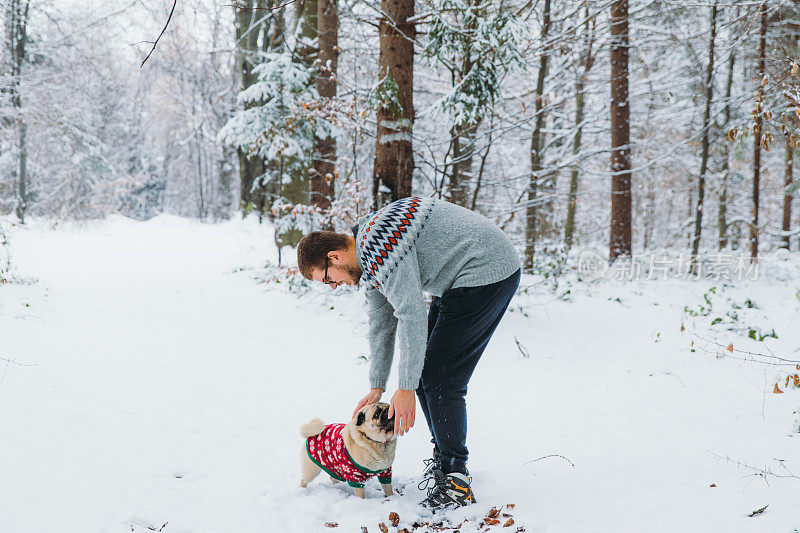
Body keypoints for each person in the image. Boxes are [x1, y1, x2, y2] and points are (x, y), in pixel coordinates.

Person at [296, 196, 520, 509]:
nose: (334, 285)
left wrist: (405, 387)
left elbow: (411, 313)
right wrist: (377, 384)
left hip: (487, 269)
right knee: (430, 373)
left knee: (440, 379)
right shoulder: (369, 256)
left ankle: (456, 480)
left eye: (328, 278)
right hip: (458, 278)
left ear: (334, 257)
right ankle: (447, 465)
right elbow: (381, 325)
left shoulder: (378, 246)